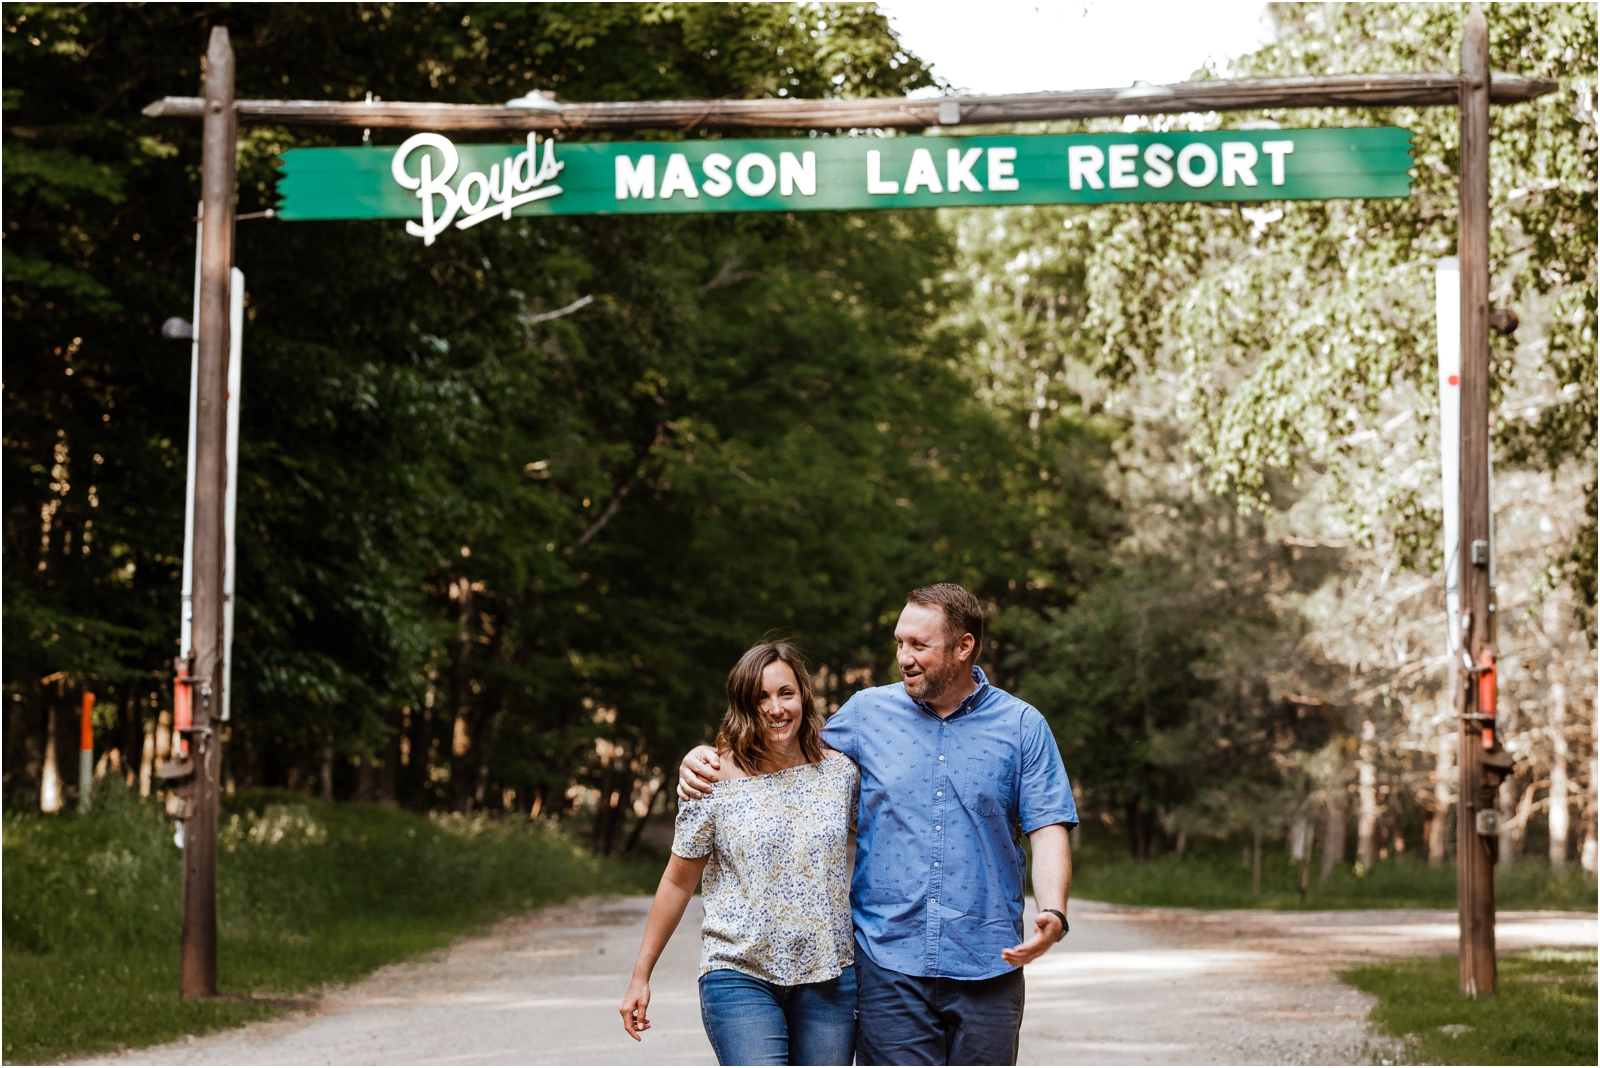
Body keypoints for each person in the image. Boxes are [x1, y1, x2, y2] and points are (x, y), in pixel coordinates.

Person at [680, 583, 1077, 1066]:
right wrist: (707, 759)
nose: (903, 656)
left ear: (963, 647)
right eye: (898, 642)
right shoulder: (867, 714)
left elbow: (1048, 827)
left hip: (987, 963)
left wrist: (1053, 914)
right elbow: (782, 751)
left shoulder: (1022, 726)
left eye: (918, 645)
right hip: (888, 965)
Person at [620, 641, 860, 1066]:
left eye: (786, 693)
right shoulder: (710, 780)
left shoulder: (840, 773)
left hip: (828, 977)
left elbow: (889, 844)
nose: (775, 708)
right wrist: (641, 976)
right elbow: (678, 881)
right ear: (743, 706)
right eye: (760, 698)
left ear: (803, 694)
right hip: (739, 974)